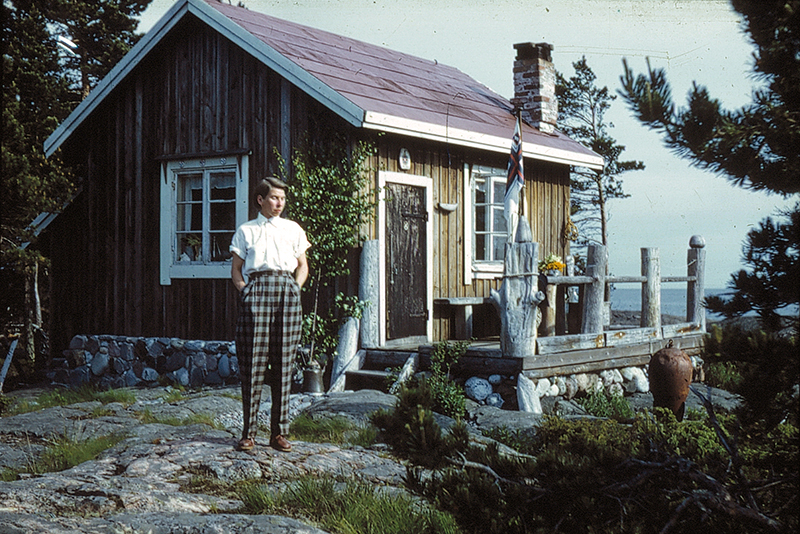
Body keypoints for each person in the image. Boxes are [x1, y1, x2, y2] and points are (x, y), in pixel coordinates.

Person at [230, 177, 310, 452]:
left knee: (284, 364)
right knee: (253, 363)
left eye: (283, 199)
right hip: (257, 293)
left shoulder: (293, 229)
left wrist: (294, 289)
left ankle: (279, 434)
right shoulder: (246, 230)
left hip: (286, 291)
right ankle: (249, 433)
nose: (279, 203)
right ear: (260, 200)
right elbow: (236, 270)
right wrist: (246, 293)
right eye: (274, 198)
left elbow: (302, 266)